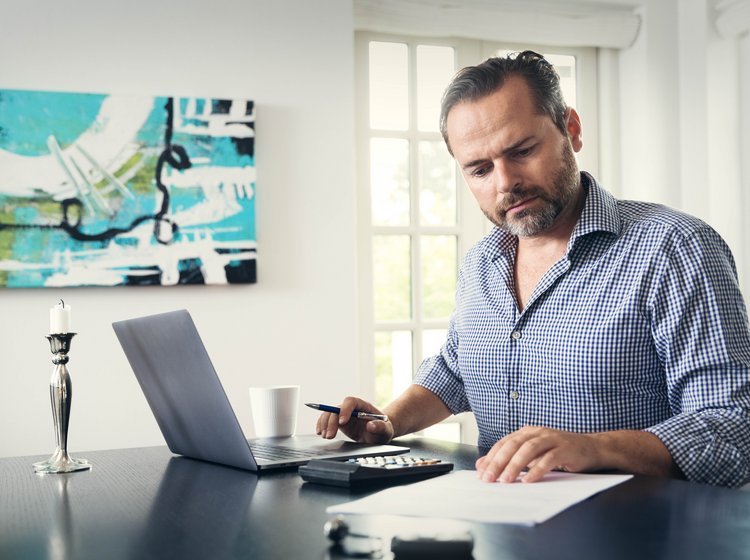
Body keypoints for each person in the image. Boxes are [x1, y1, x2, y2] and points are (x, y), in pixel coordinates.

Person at [316, 51, 750, 487]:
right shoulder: (482, 263)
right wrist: (387, 421)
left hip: (634, 533)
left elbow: (735, 429)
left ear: (571, 130)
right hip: (500, 532)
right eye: (480, 169)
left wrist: (594, 449)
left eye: (522, 151)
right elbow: (456, 369)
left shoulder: (676, 248)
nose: (505, 182)